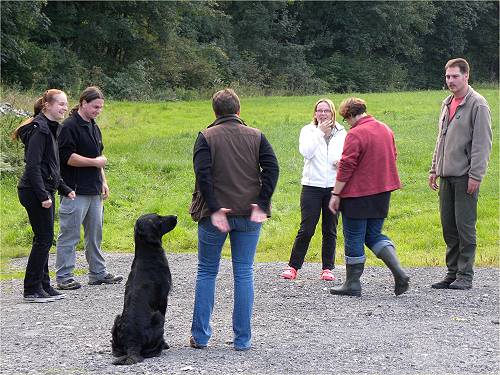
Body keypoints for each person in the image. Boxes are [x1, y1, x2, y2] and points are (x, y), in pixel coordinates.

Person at [189, 88, 279, 351]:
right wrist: (262, 203)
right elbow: (272, 168)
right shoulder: (256, 136)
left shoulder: (206, 136)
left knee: (207, 271)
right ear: (239, 111)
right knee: (244, 273)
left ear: (215, 112)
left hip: (214, 215)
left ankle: (201, 337)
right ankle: (243, 340)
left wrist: (215, 208)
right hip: (250, 213)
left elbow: (202, 175)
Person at [329, 97, 409, 297]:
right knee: (374, 234)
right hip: (383, 191)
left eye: (346, 119)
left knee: (354, 235)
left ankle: (352, 283)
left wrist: (336, 193)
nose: (347, 123)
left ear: (349, 115)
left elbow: (347, 166)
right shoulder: (385, 129)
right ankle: (399, 272)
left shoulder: (355, 133)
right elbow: (393, 155)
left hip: (358, 194)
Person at [429, 58, 492, 290]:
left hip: (466, 175)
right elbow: (441, 140)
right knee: (449, 227)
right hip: (446, 175)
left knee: (464, 226)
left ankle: (465, 275)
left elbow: (482, 144)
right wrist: (434, 168)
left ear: (466, 76)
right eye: (447, 76)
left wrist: (476, 175)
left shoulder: (478, 104)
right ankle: (452, 272)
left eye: (455, 76)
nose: (450, 81)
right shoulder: (447, 104)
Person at [55, 86, 122, 290]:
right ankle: (64, 276)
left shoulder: (93, 126)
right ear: (83, 103)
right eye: (95, 107)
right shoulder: (69, 126)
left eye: (100, 108)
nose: (98, 111)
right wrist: (95, 163)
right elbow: (67, 158)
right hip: (74, 190)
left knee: (95, 234)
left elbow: (98, 158)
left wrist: (103, 181)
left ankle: (98, 273)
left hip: (94, 189)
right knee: (70, 234)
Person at [13, 89, 76, 302]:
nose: (65, 108)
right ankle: (31, 289)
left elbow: (51, 166)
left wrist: (64, 188)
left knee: (44, 239)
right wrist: (42, 196)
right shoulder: (40, 130)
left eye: (66, 104)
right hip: (33, 191)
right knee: (44, 239)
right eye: (60, 104)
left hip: (43, 189)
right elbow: (33, 166)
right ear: (46, 105)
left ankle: (44, 286)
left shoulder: (50, 128)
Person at [281, 99, 346, 281]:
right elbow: (307, 152)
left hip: (334, 186)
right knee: (307, 228)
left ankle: (327, 268)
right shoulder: (308, 131)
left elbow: (346, 154)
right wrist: (319, 133)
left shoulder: (342, 132)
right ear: (315, 113)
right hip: (311, 186)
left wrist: (341, 162)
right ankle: (293, 267)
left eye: (326, 111)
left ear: (333, 113)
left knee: (330, 228)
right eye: (319, 111)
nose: (323, 114)